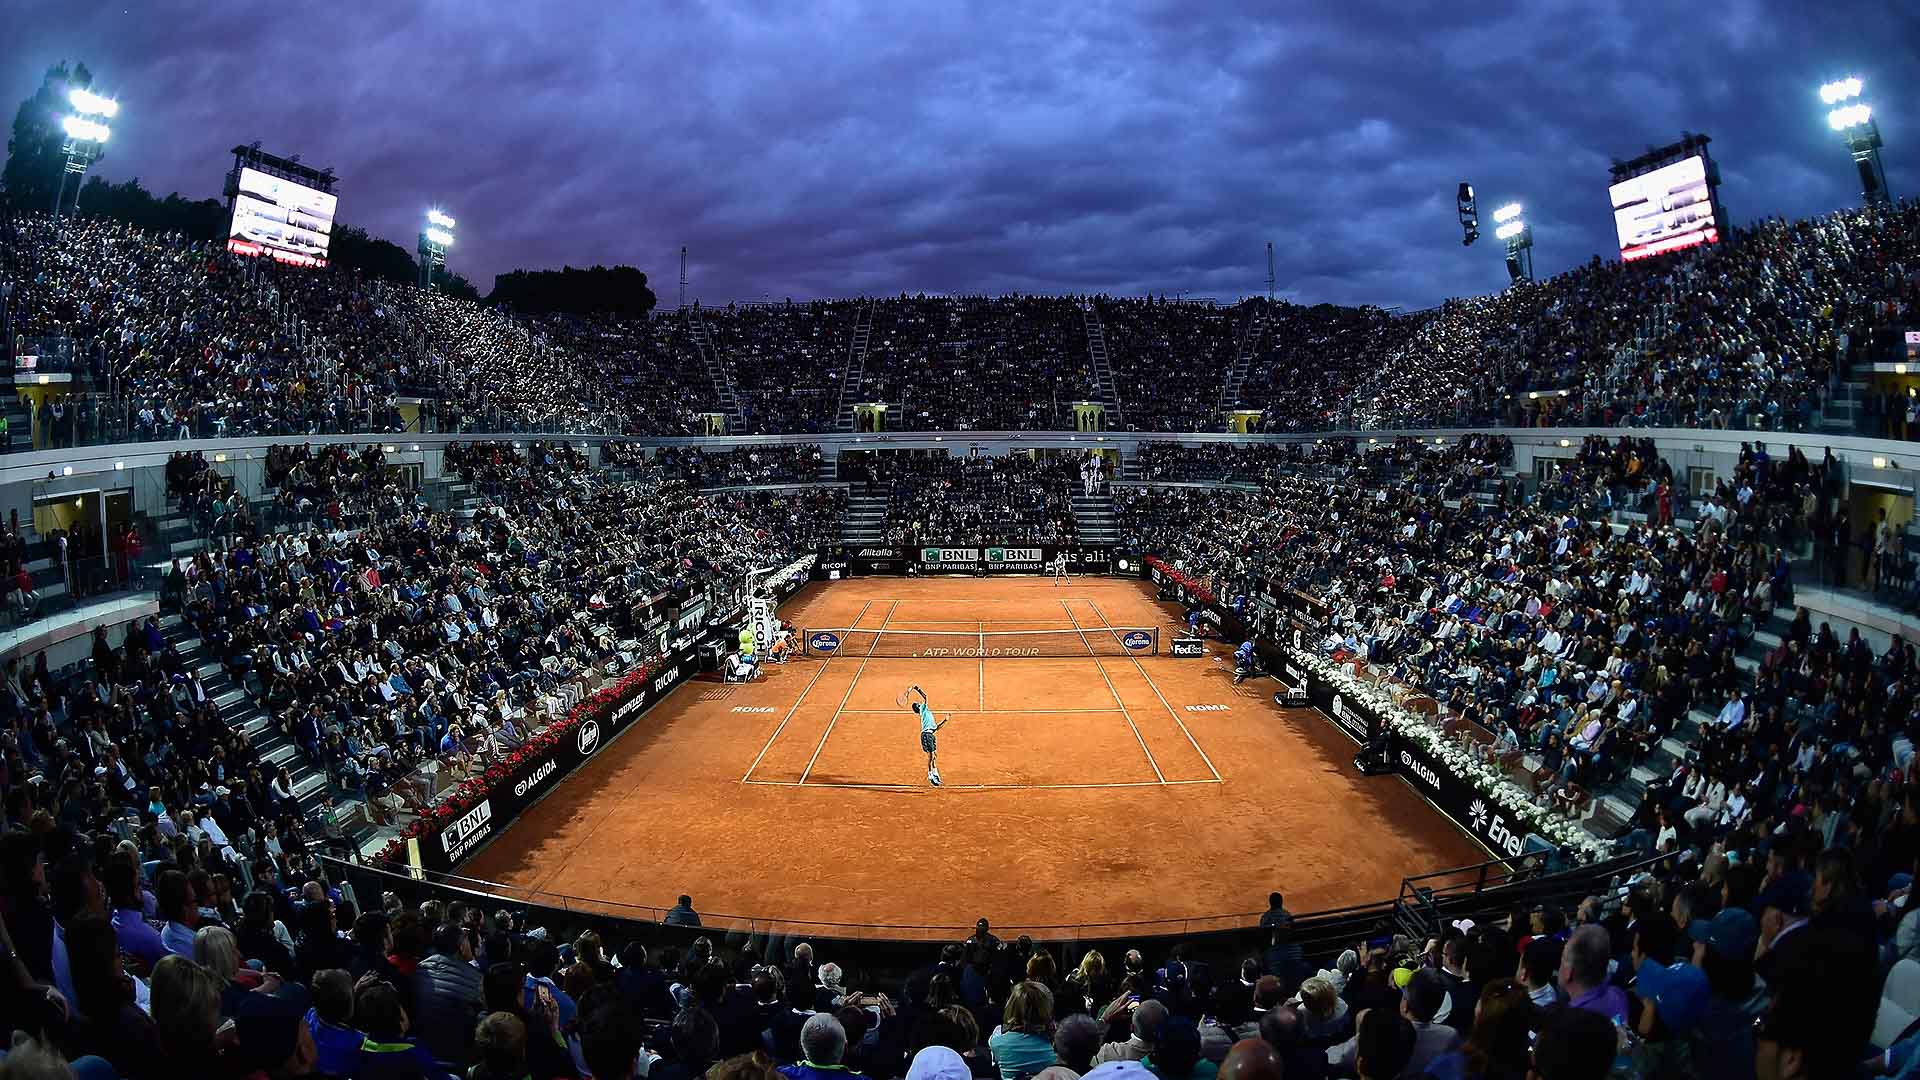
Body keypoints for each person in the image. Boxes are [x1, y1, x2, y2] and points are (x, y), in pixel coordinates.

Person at [908, 685, 949, 787]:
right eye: (918, 704)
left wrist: (945, 720)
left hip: (930, 734)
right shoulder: (923, 709)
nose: (920, 703)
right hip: (926, 734)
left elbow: (936, 728)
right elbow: (926, 696)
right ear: (918, 707)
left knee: (934, 755)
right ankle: (930, 774)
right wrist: (917, 689)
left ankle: (935, 773)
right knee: (931, 756)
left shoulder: (927, 714)